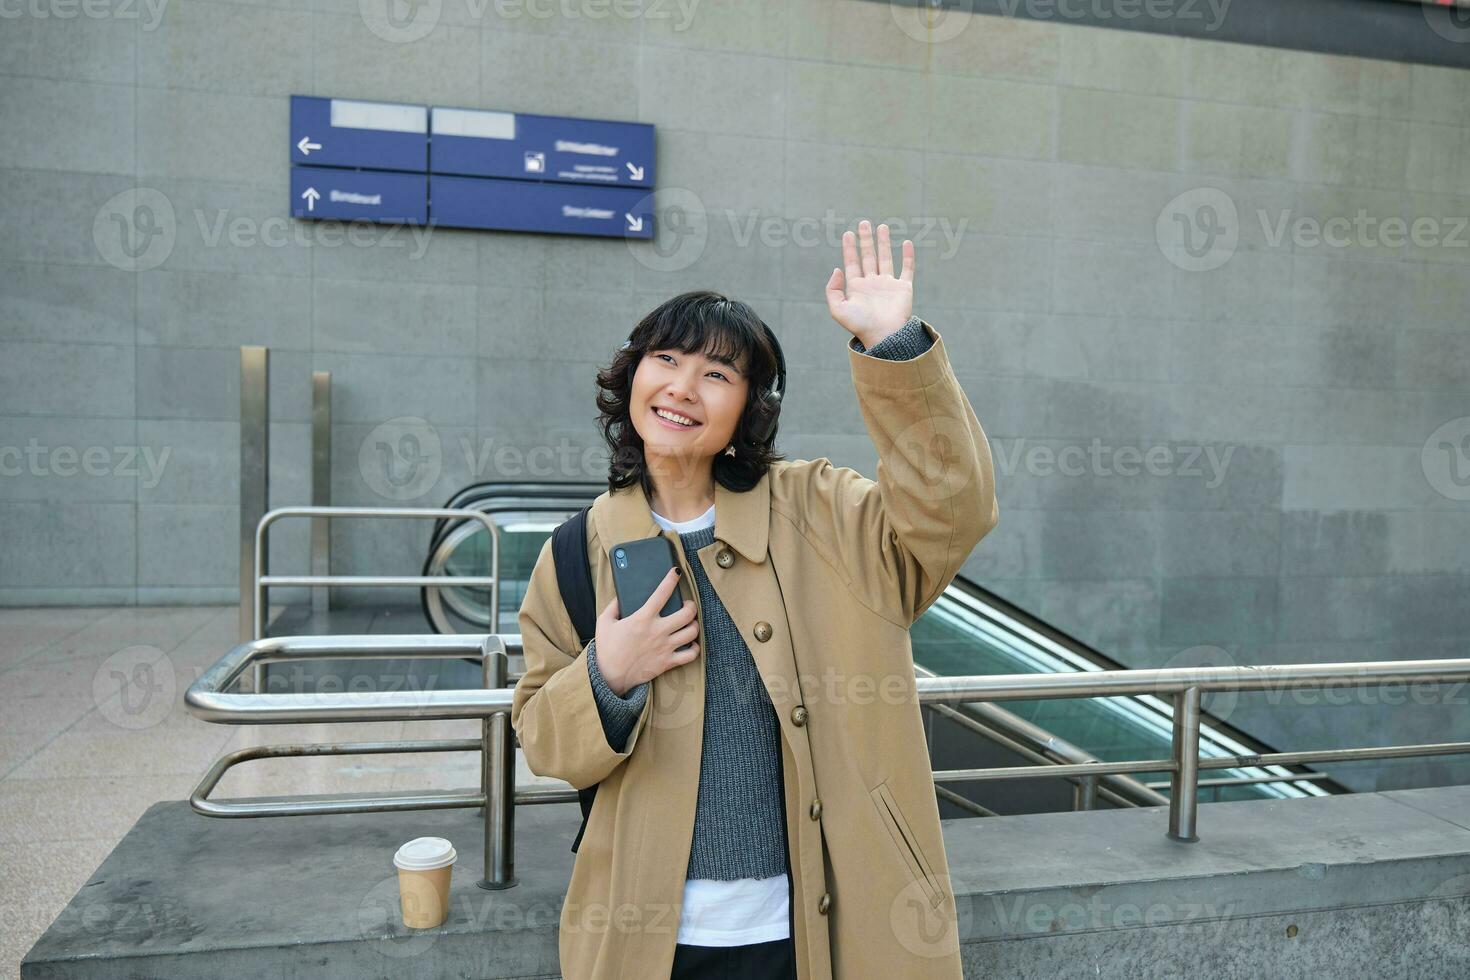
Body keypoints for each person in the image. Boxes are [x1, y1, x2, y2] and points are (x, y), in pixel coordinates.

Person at [512, 219, 999, 979]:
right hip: (647, 944)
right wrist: (606, 677)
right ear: (631, 377)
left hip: (823, 935)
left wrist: (893, 347)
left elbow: (953, 508)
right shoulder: (577, 550)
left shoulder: (822, 512)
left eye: (717, 373)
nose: (681, 386)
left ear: (748, 408)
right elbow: (544, 741)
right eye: (665, 360)